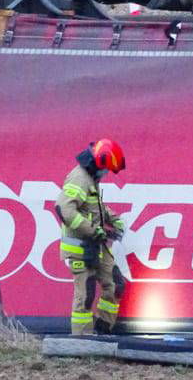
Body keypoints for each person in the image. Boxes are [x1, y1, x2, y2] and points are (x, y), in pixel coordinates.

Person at [55, 139, 128, 335]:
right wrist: (92, 230)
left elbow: (96, 208)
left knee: (115, 284)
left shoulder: (91, 179)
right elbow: (64, 209)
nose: (106, 174)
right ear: (98, 162)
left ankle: (103, 331)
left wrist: (114, 221)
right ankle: (81, 341)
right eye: (106, 169)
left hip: (96, 246)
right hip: (80, 249)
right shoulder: (79, 179)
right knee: (85, 296)